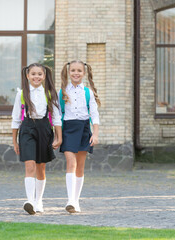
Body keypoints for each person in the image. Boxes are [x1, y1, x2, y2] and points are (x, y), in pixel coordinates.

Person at [12, 63, 62, 215]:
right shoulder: (21, 94)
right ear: (27, 76)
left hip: (44, 129)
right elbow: (15, 119)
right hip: (27, 129)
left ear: (44, 76)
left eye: (39, 74)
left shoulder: (49, 93)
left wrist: (59, 137)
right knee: (30, 165)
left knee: (41, 167)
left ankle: (38, 200)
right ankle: (30, 201)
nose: (36, 77)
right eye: (33, 74)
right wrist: (14, 141)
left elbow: (56, 117)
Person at [59, 60, 100, 213]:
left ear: (84, 73)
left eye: (79, 71)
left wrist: (95, 134)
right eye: (73, 70)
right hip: (68, 129)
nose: (76, 73)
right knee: (71, 162)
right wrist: (58, 136)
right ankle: (70, 200)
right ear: (68, 72)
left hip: (84, 129)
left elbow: (94, 115)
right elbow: (58, 115)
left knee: (80, 166)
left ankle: (75, 201)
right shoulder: (62, 92)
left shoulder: (88, 92)